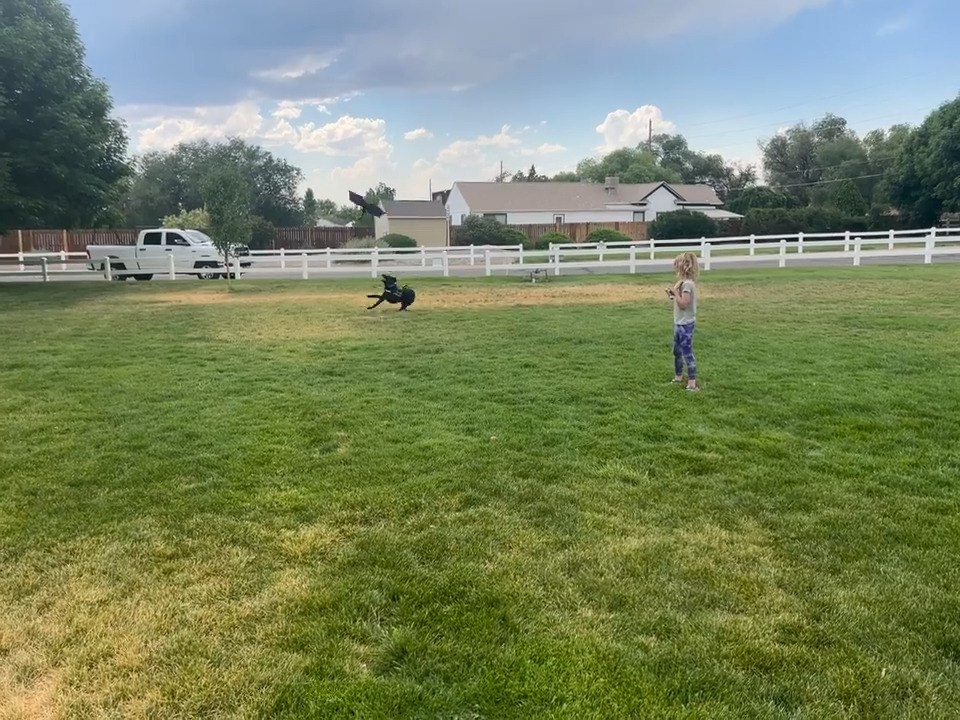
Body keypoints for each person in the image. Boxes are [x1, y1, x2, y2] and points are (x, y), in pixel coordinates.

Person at [667, 252, 700, 392]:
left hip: (686, 324)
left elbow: (683, 304)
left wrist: (675, 293)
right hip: (678, 322)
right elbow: (679, 299)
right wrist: (673, 294)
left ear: (685, 266)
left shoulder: (687, 285)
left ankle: (692, 383)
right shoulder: (681, 283)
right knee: (677, 351)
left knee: (687, 352)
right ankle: (678, 376)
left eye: (677, 264)